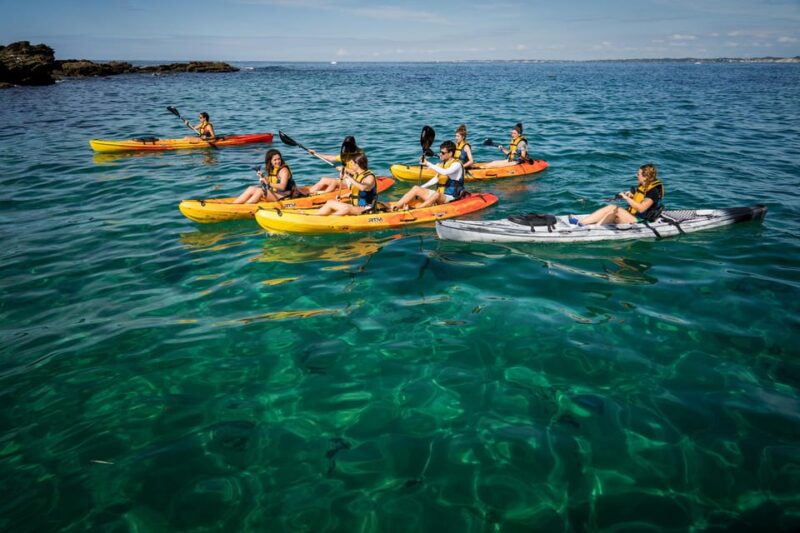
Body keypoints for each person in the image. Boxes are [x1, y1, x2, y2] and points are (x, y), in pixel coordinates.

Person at [571, 163, 664, 226]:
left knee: (617, 211)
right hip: (632, 216)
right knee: (611, 207)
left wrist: (626, 198)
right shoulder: (643, 186)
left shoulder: (653, 191)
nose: (636, 175)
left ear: (645, 177)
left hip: (641, 222)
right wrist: (632, 196)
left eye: (638, 174)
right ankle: (582, 223)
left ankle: (595, 228)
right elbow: (640, 199)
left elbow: (641, 208)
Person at [392, 140, 464, 211]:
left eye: (443, 153)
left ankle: (416, 210)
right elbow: (436, 179)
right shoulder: (443, 164)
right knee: (416, 188)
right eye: (440, 152)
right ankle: (395, 207)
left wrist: (428, 164)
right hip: (439, 195)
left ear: (450, 153)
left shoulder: (456, 165)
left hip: (452, 197)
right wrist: (421, 188)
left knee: (436, 194)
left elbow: (445, 172)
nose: (440, 154)